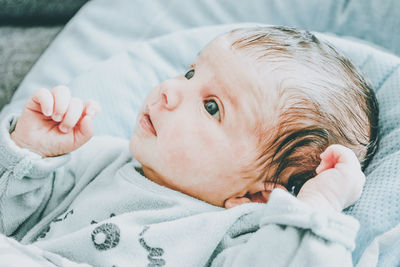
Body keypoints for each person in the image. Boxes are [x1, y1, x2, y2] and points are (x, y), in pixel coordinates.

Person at [0, 26, 378, 266]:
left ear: (258, 196)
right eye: (190, 73)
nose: (170, 89)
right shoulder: (98, 157)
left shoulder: (236, 236)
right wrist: (27, 151)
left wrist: (319, 207)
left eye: (211, 106)